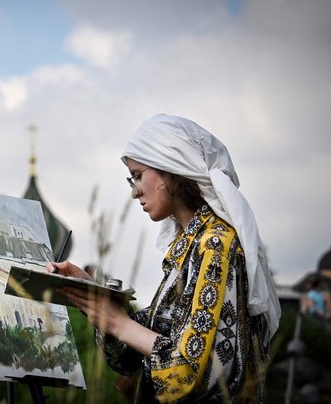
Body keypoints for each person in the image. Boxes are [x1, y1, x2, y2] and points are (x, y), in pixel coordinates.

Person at [47, 114, 281, 402]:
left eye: (138, 175)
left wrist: (119, 323)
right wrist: (94, 295)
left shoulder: (215, 244)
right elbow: (127, 359)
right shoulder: (187, 247)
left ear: (171, 167)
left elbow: (191, 373)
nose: (135, 192)